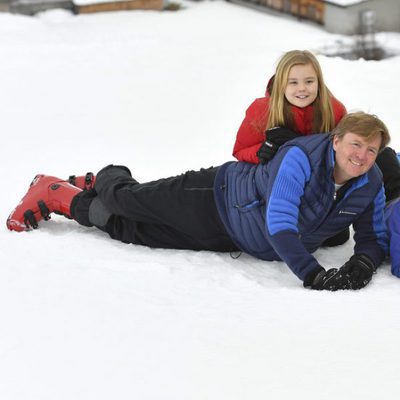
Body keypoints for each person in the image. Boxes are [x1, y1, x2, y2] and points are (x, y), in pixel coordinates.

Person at [6, 112, 390, 291]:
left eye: (371, 150)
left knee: (131, 231)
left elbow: (372, 235)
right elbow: (280, 223)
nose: (362, 156)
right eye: (356, 144)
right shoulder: (300, 157)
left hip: (234, 237)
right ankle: (102, 178)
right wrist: (313, 274)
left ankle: (59, 195)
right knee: (128, 200)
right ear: (337, 140)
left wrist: (364, 261)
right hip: (216, 194)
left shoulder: (370, 182)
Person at [232, 50, 347, 165]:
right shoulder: (262, 111)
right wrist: (261, 151)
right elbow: (239, 150)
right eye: (293, 82)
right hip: (275, 176)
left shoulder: (335, 110)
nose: (302, 88)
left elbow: (347, 151)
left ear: (319, 83)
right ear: (281, 85)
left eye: (309, 81)